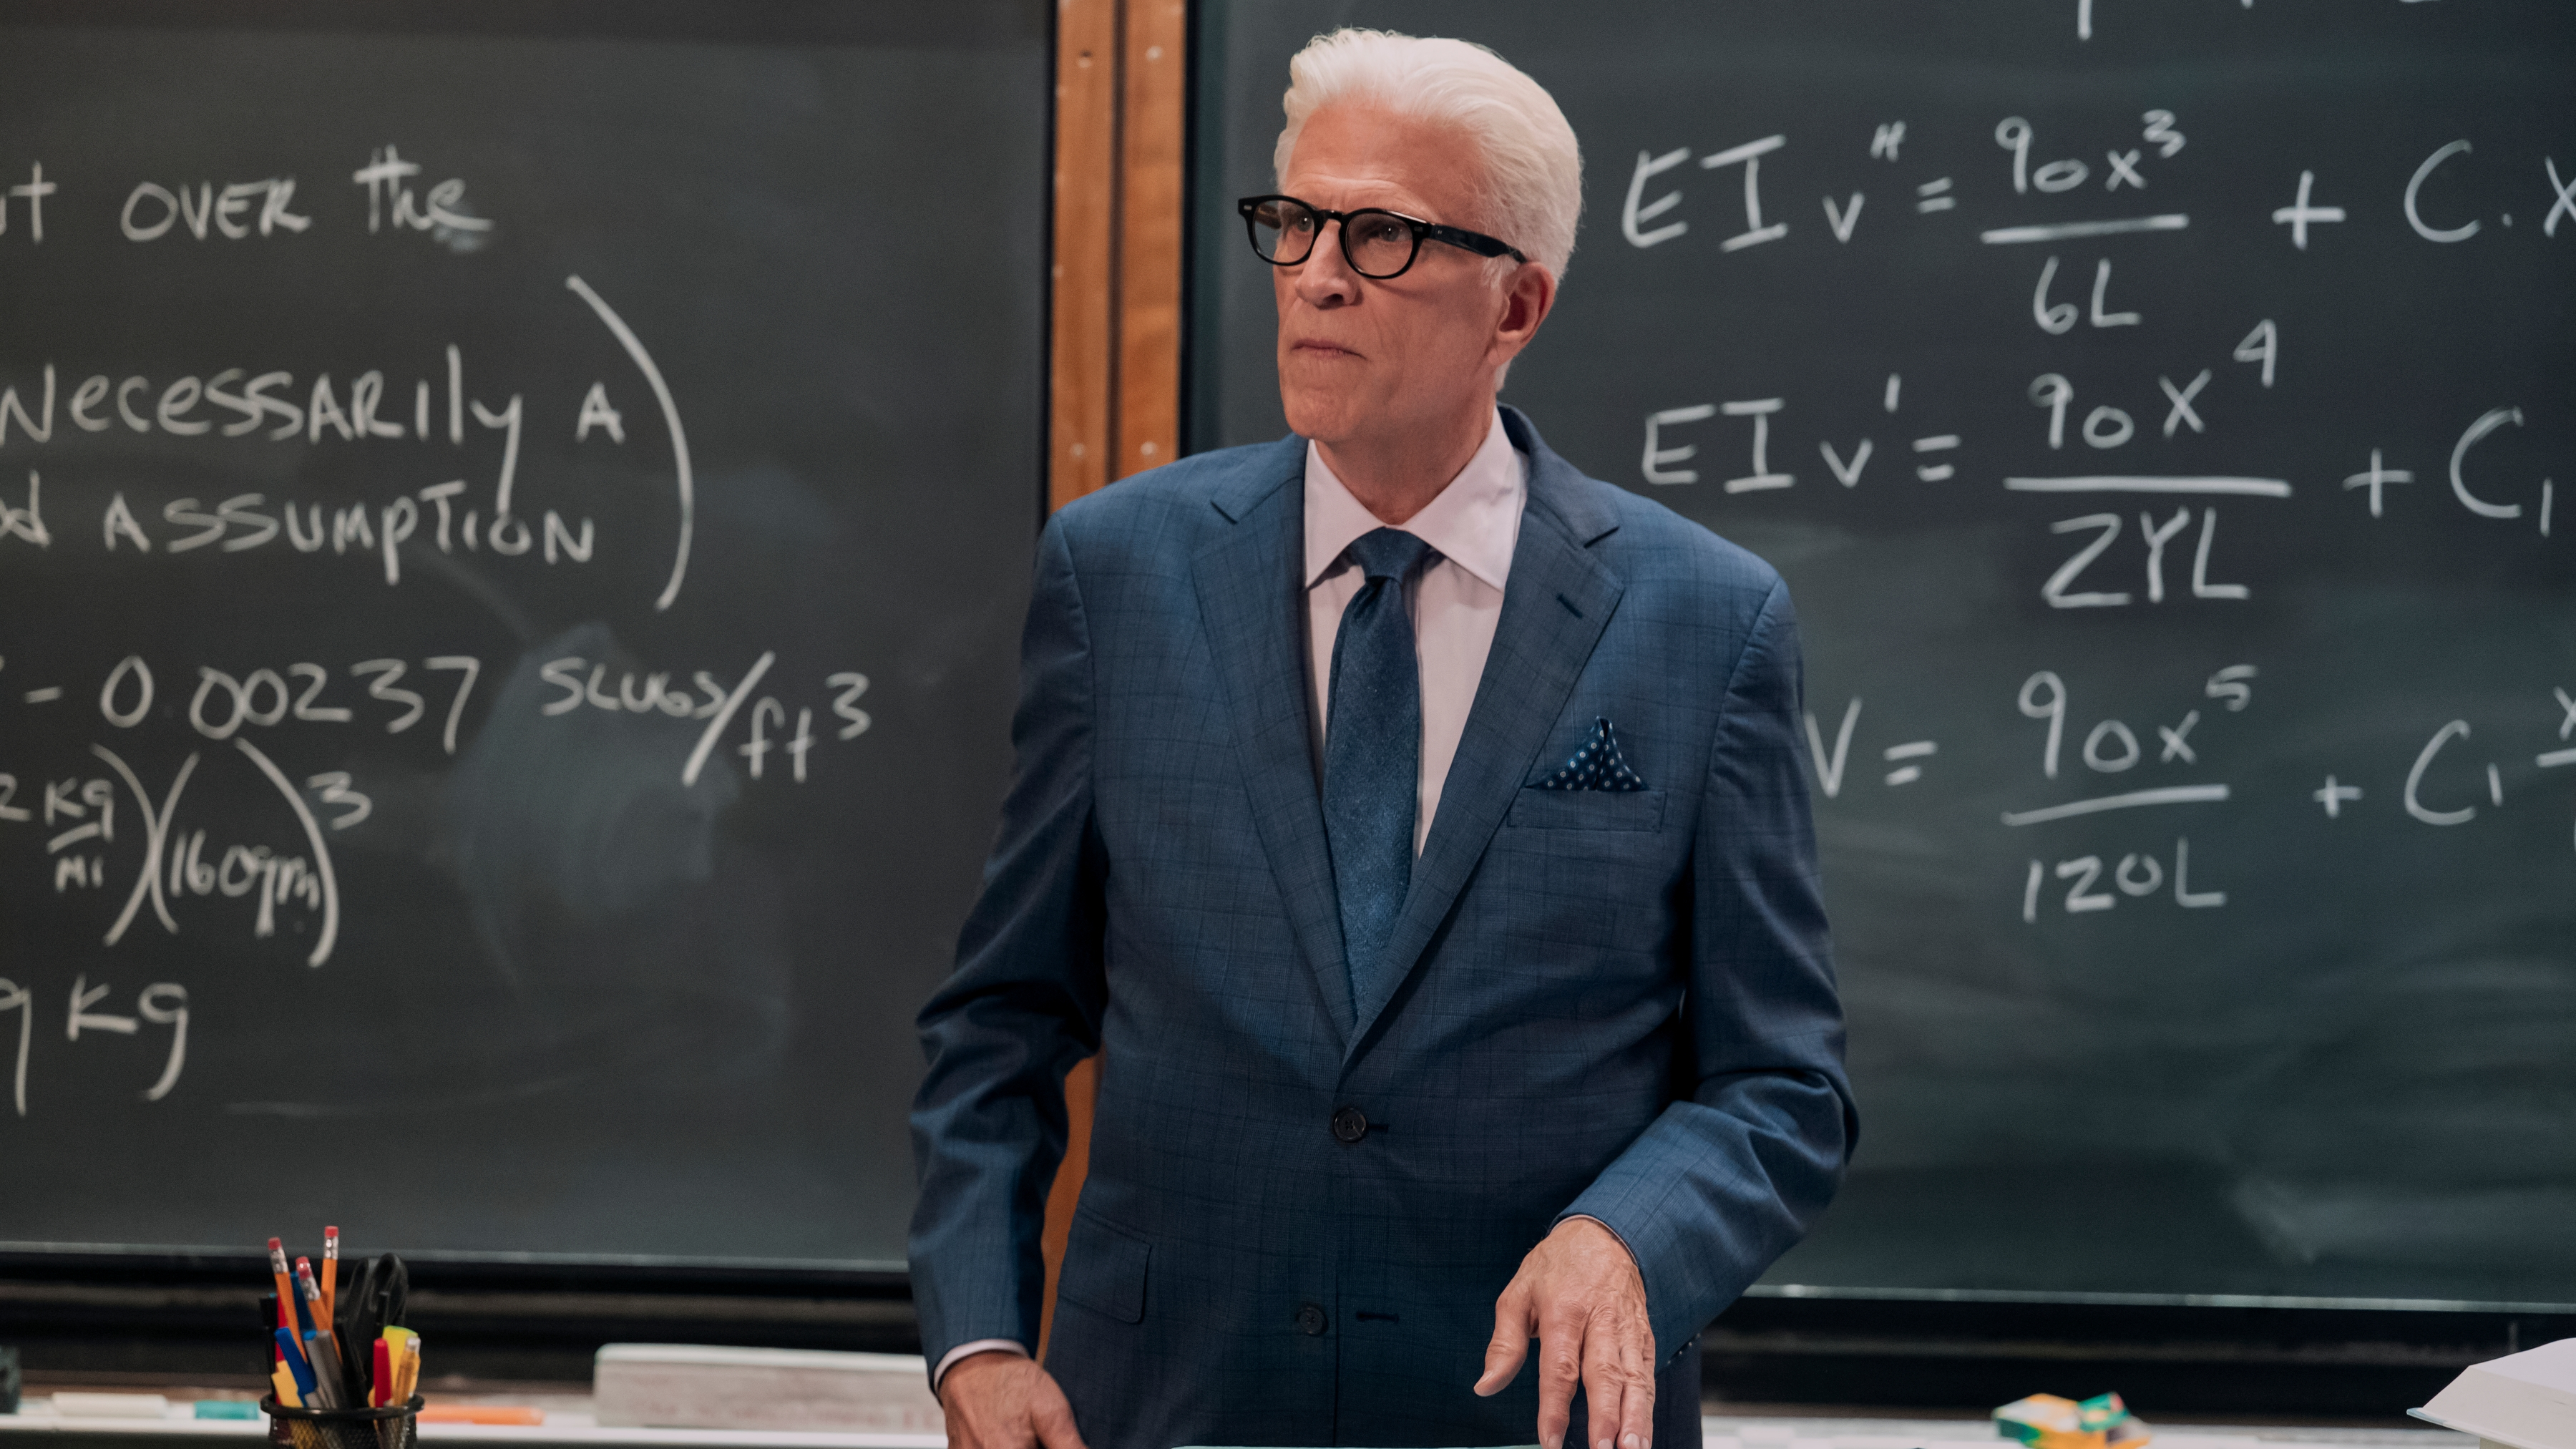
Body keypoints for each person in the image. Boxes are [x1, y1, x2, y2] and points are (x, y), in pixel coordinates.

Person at [909, 28, 1855, 1449]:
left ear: (1517, 302)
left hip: (1519, 1417)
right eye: (1294, 222)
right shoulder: (1120, 573)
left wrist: (1629, 1238)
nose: (1319, 274)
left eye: (1386, 234)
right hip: (1170, 1404)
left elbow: (1782, 1084)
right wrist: (977, 1338)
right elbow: (1004, 1014)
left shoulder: (1705, 620)